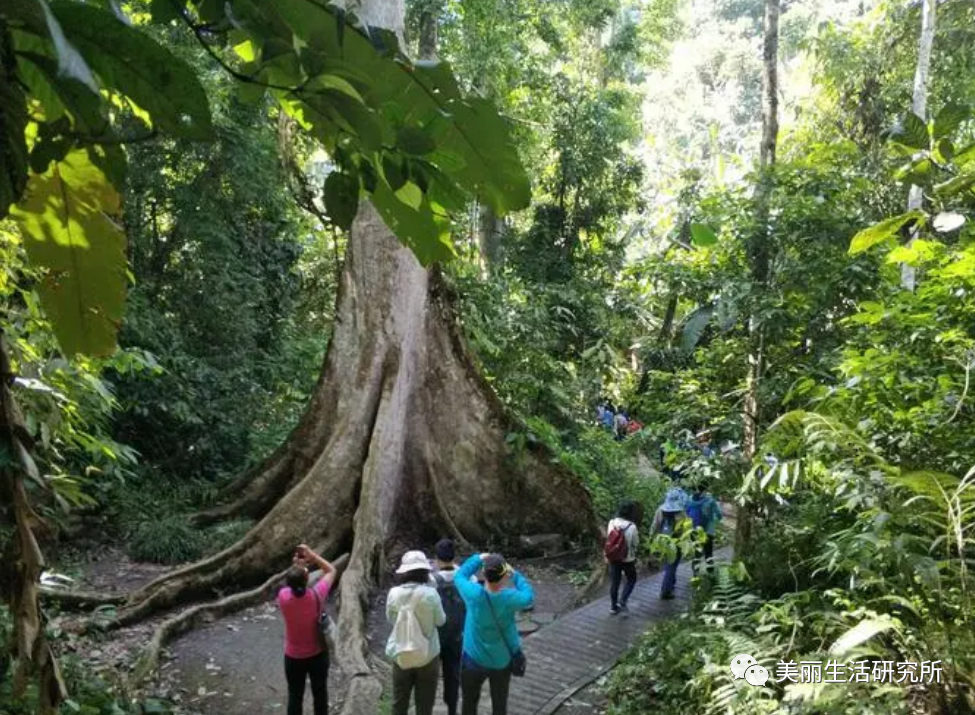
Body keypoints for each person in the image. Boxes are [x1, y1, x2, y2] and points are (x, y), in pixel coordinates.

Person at [454, 552, 533, 715]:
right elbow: (528, 597)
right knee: (499, 705)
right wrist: (515, 575)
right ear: (504, 575)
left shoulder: (473, 594)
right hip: (501, 661)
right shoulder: (509, 598)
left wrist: (478, 558)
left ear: (483, 573)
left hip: (472, 659)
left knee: (468, 704)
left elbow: (460, 575)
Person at [278, 543, 337, 715]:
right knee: (320, 693)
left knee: (295, 695)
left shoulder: (283, 597)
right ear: (307, 580)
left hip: (293, 657)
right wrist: (313, 556)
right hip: (318, 654)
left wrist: (298, 566)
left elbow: (293, 580)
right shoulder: (317, 595)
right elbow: (331, 570)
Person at [386, 550, 446, 715]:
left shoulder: (393, 594)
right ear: (425, 571)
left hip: (401, 654)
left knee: (399, 703)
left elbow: (391, 620)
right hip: (428, 656)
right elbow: (441, 621)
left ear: (404, 572)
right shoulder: (431, 594)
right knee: (425, 705)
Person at [433, 539, 466, 715]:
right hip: (457, 634)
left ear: (437, 558)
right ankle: (452, 708)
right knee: (453, 672)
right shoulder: (465, 577)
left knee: (431, 672)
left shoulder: (432, 580)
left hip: (436, 633)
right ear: (454, 557)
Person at [652, 488, 688, 599]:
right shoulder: (681, 513)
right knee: (671, 566)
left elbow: (654, 526)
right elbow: (685, 529)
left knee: (669, 564)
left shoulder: (660, 510)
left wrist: (652, 540)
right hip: (676, 543)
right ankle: (666, 591)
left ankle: (671, 583)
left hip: (663, 541)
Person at [605, 501, 640, 615]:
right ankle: (623, 600)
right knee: (631, 579)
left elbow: (609, 538)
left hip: (614, 557)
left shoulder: (612, 523)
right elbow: (636, 543)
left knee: (615, 582)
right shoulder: (632, 526)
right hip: (627, 558)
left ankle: (613, 607)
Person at [686, 482, 722, 573]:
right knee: (708, 553)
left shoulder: (690, 499)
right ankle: (710, 575)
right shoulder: (710, 501)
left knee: (696, 553)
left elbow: (686, 512)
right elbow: (719, 515)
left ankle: (695, 575)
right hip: (708, 531)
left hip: (694, 530)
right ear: (705, 490)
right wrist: (713, 518)